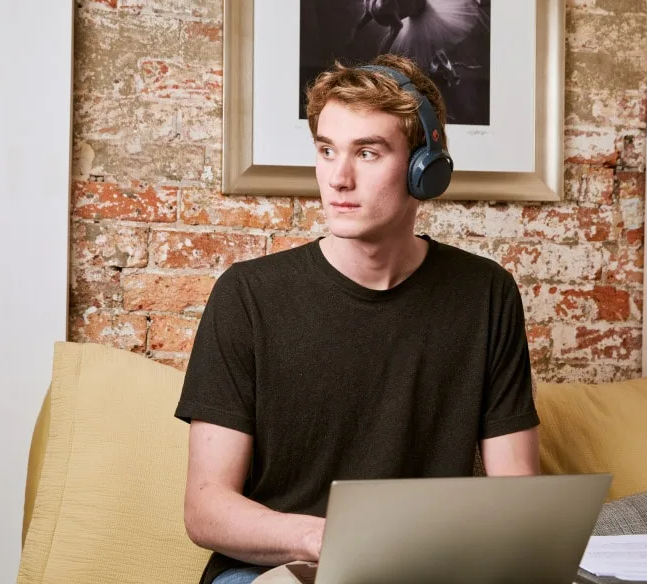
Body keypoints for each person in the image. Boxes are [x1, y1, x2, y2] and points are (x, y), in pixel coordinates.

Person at [174, 54, 540, 584]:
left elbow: (517, 488)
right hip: (282, 568)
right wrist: (324, 539)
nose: (338, 178)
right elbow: (205, 509)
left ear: (425, 168)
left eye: (367, 152)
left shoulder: (486, 293)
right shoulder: (248, 295)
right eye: (327, 150)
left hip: (421, 570)